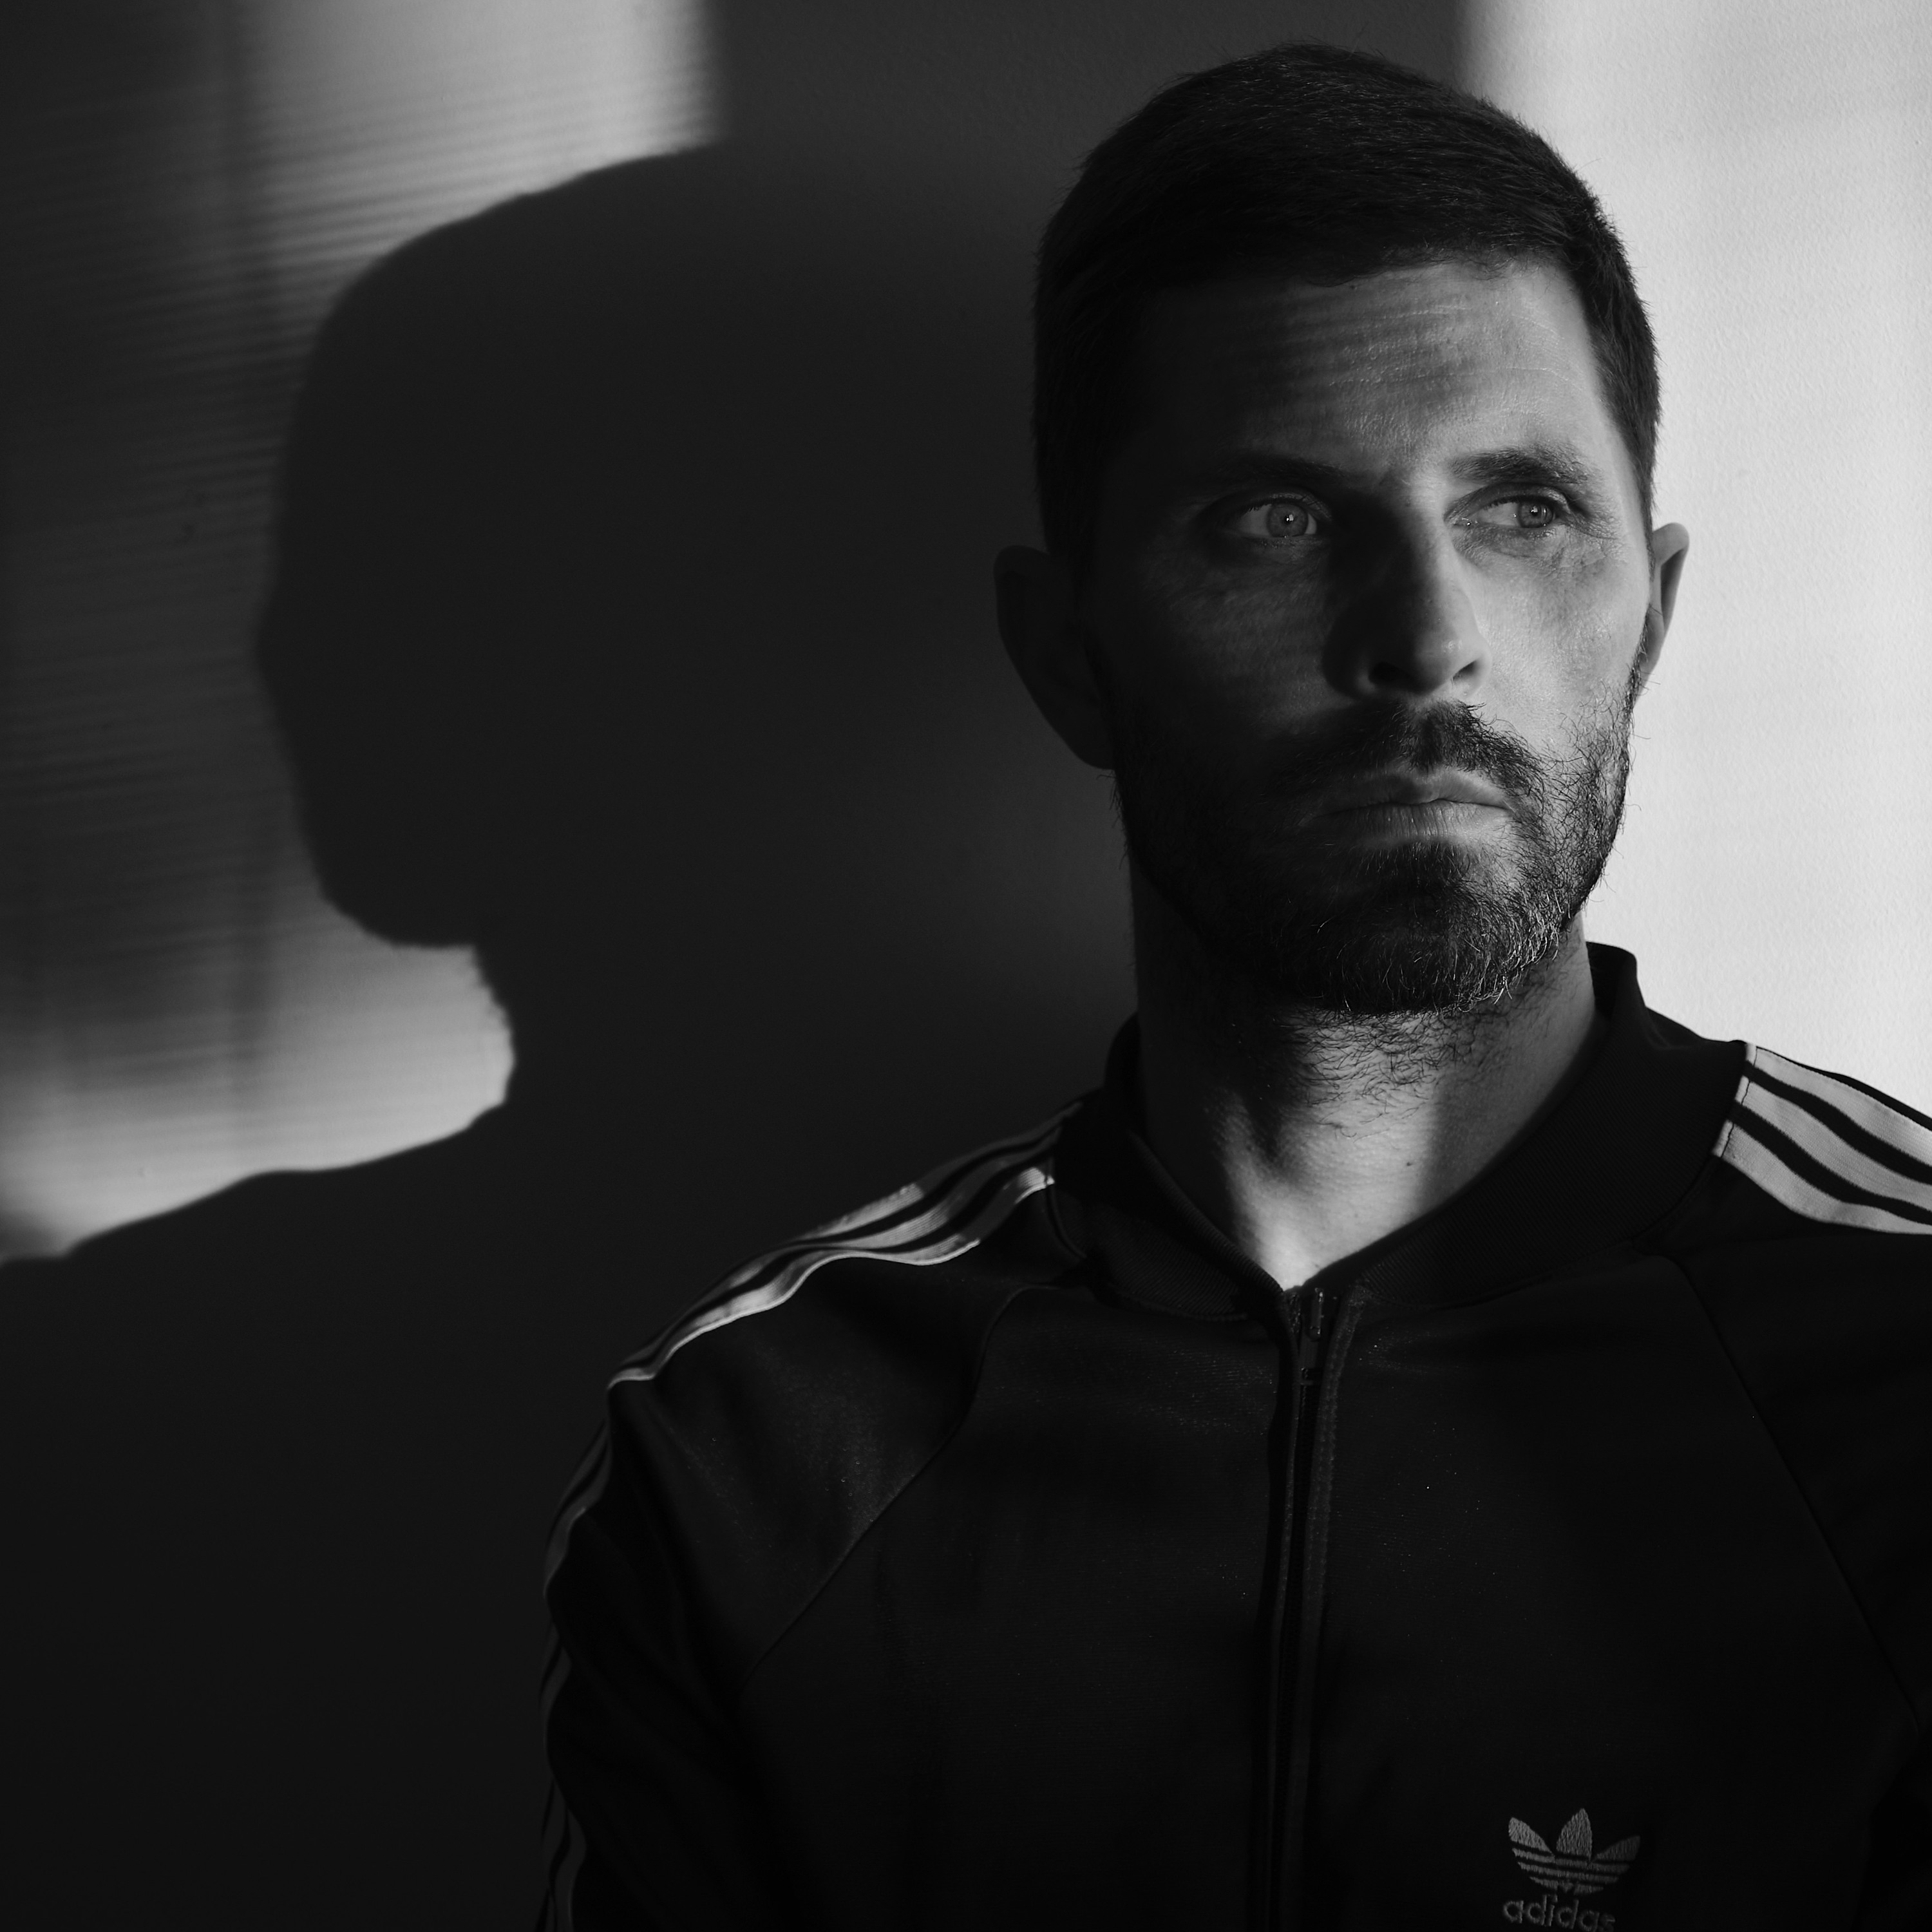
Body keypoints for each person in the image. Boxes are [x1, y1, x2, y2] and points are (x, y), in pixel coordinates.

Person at [539, 43, 1932, 1931]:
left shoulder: (1904, 1357)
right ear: (1071, 656)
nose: (1426, 637)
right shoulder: (761, 1447)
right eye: (1276, 519)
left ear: (1652, 620)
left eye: (1522, 508)